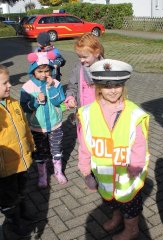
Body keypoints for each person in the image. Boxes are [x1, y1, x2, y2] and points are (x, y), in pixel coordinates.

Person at [77, 59, 150, 240]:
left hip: (128, 174)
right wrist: (86, 171)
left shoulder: (134, 113)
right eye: (107, 86)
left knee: (130, 204)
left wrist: (136, 165)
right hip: (103, 173)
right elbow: (85, 144)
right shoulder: (87, 113)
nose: (113, 90)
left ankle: (132, 230)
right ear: (98, 87)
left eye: (117, 85)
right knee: (110, 199)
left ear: (123, 86)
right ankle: (116, 217)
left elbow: (140, 144)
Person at [20, 51, 67, 188]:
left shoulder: (56, 83)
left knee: (56, 149)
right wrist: (36, 102)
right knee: (40, 152)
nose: (44, 74)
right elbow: (25, 107)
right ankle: (42, 175)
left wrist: (51, 87)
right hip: (37, 127)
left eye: (47, 71)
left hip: (55, 125)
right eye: (40, 71)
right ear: (33, 71)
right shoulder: (27, 87)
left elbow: (59, 101)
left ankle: (58, 172)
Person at [0, 65, 35, 238]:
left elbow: (25, 127)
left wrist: (31, 146)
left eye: (8, 81)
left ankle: (22, 209)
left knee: (22, 189)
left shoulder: (13, 102)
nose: (9, 85)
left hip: (22, 161)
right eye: (4, 83)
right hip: (5, 170)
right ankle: (13, 222)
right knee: (8, 198)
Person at [65, 32, 104, 116]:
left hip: (101, 114)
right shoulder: (78, 68)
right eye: (79, 56)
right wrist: (70, 98)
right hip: (83, 112)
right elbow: (72, 86)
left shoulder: (106, 70)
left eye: (85, 57)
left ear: (96, 53)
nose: (81, 60)